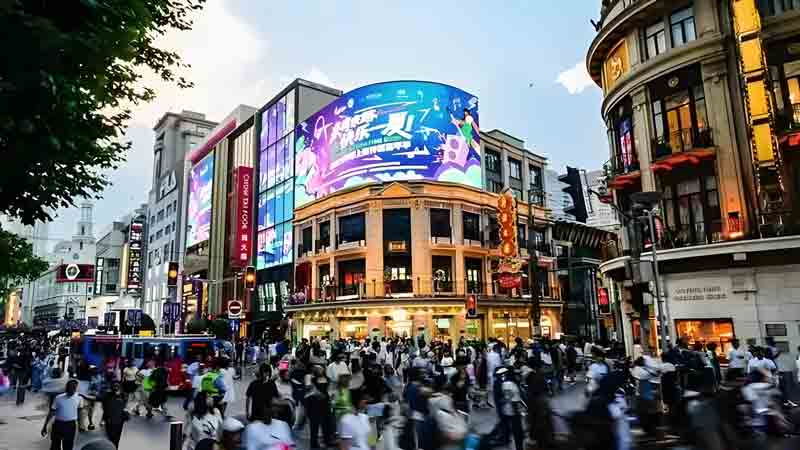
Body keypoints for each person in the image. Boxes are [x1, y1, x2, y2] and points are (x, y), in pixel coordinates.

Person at [42, 379, 83, 450]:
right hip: (58, 424)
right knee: (55, 446)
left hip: (70, 425)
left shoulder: (79, 398)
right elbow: (51, 412)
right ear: (66, 388)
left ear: (76, 388)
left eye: (73, 388)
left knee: (68, 446)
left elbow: (79, 412)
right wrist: (45, 426)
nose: (71, 389)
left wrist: (80, 425)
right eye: (69, 387)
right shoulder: (58, 398)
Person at [101, 381, 129, 449]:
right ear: (111, 387)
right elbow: (97, 398)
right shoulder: (106, 395)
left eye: (117, 386)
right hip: (109, 419)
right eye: (114, 386)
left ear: (120, 387)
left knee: (117, 438)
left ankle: (115, 447)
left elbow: (125, 404)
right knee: (110, 436)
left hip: (119, 420)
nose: (115, 387)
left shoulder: (124, 395)